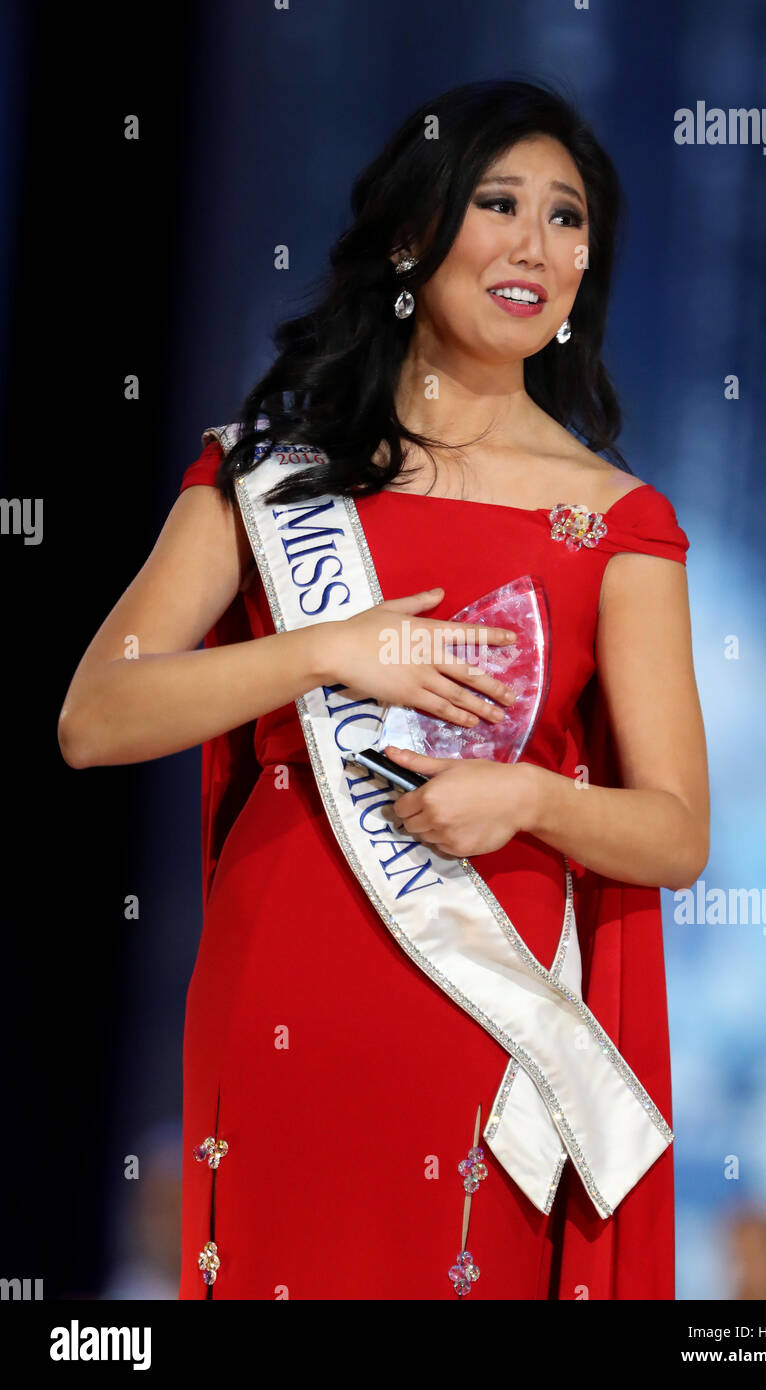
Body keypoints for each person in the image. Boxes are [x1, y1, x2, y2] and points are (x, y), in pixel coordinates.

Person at [57, 79, 709, 1300]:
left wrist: (523, 798)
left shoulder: (617, 522)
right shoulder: (268, 470)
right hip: (282, 983)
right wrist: (325, 649)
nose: (534, 244)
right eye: (497, 202)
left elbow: (672, 831)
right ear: (412, 235)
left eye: (566, 219)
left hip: (484, 1000)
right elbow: (96, 716)